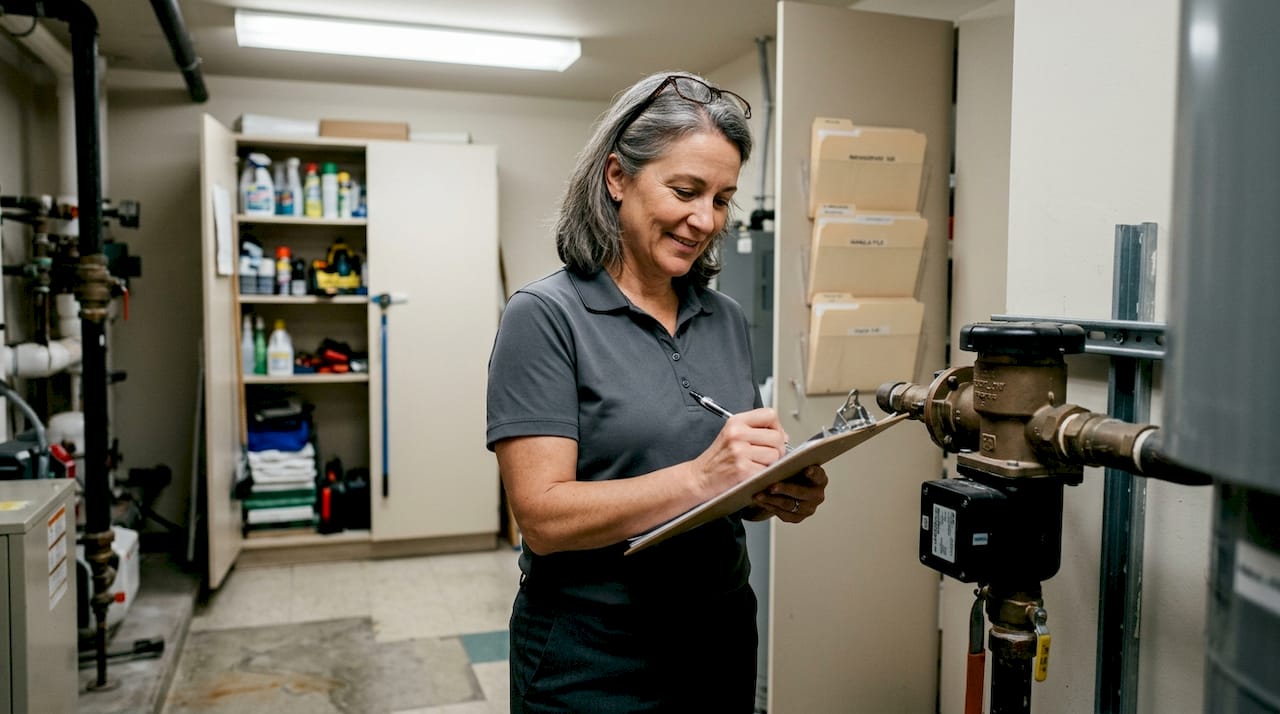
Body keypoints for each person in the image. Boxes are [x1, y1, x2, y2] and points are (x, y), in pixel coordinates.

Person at [486, 70, 829, 713]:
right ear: (618, 177)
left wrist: (768, 490)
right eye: (686, 190)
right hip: (592, 653)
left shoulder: (723, 317)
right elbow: (542, 515)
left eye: (723, 198)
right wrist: (703, 476)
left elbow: (716, 490)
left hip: (720, 634)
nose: (705, 220)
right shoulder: (544, 316)